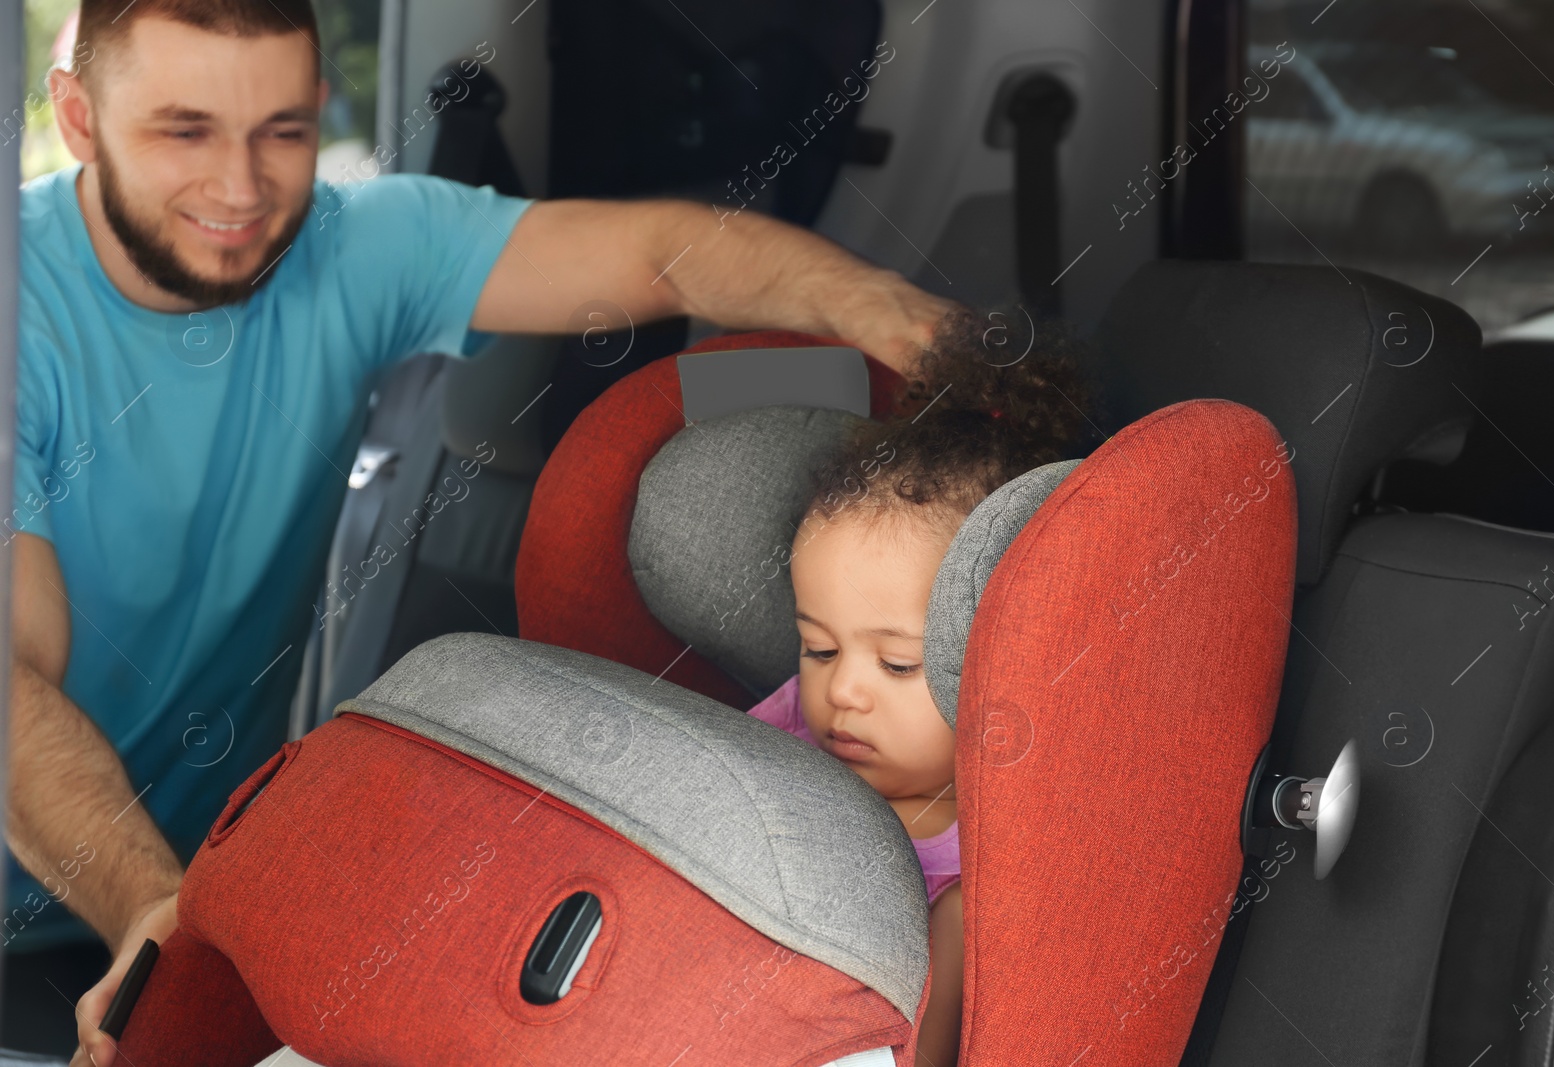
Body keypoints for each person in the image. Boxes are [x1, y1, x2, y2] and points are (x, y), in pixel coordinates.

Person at [5, 1, 960, 1062]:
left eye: (280, 130)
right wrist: (158, 911)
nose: (239, 188)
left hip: (205, 883)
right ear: (79, 117)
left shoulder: (351, 242)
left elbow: (666, 255)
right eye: (184, 130)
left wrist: (899, 319)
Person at [744, 309, 1094, 1067]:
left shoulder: (968, 885)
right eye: (819, 647)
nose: (845, 691)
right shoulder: (787, 731)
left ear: (1006, 662)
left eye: (898, 664)